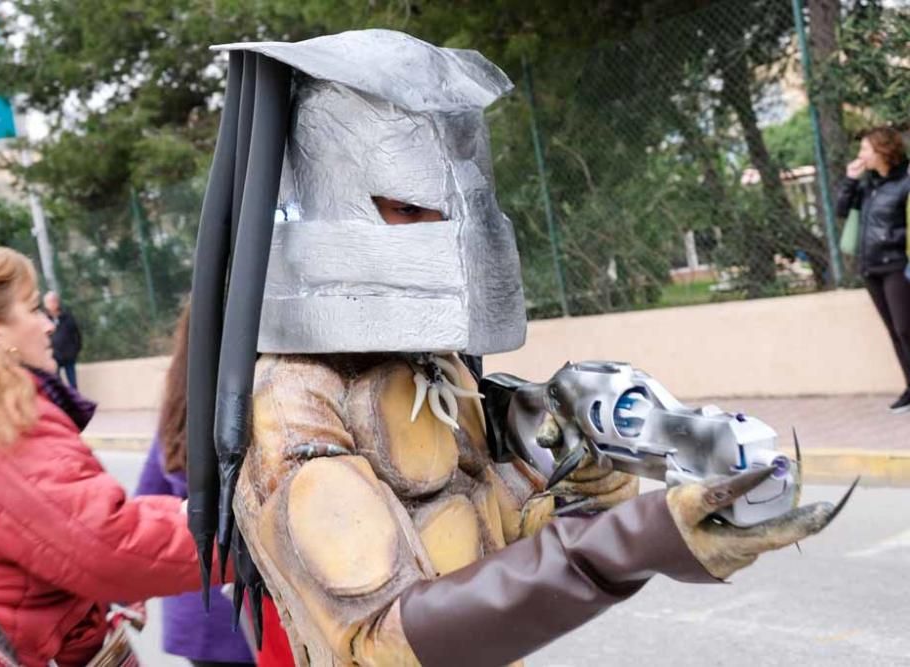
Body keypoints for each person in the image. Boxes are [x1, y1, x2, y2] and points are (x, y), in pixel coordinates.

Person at [186, 30, 842, 666]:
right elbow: (385, 637)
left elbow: (509, 547)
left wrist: (608, 471)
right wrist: (621, 546)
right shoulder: (291, 402)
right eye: (409, 209)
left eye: (452, 208)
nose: (443, 231)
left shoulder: (435, 368)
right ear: (324, 200)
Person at [0, 243, 212, 665]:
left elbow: (68, 537)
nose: (48, 325)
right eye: (33, 309)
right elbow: (107, 543)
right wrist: (242, 538)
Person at [136, 302, 293, 667]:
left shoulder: (182, 407)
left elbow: (146, 500)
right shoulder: (269, 401)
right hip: (255, 617)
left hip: (198, 612)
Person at [836, 126, 910, 413]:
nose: (860, 155)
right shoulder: (868, 184)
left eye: (865, 149)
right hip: (871, 267)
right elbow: (842, 210)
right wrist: (850, 180)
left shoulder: (905, 181)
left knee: (906, 328)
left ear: (882, 150)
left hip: (896, 264)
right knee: (894, 331)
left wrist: (893, 241)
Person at [44, 290, 82, 389]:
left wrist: (75, 351)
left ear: (57, 302)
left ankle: (75, 403)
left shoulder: (67, 317)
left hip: (69, 356)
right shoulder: (44, 319)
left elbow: (76, 335)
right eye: (48, 302)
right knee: (57, 384)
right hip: (54, 357)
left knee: (73, 384)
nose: (51, 304)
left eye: (53, 301)